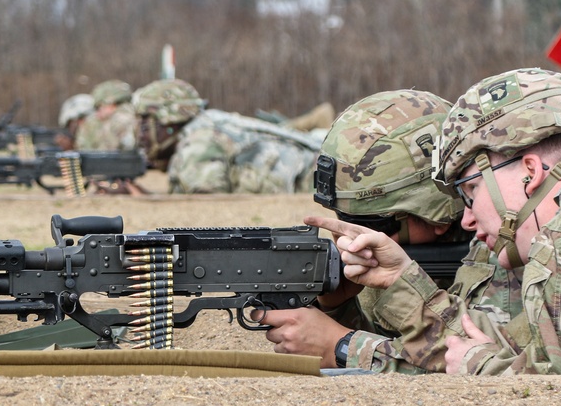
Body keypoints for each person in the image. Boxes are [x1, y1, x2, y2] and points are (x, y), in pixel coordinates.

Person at [313, 67, 561, 375]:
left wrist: (479, 365)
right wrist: (397, 283)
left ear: (530, 172)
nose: (467, 217)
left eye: (471, 189)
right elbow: (519, 346)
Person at [254, 89, 521, 372]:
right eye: (345, 221)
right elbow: (396, 344)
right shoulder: (389, 254)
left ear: (437, 213)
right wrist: (338, 306)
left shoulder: (512, 258)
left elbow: (468, 366)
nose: (353, 238)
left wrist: (340, 347)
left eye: (373, 224)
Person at [131, 78, 323, 194]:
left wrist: (147, 200)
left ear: (170, 120)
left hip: (316, 182)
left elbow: (202, 206)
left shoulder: (200, 140)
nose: (141, 134)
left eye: (147, 122)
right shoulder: (205, 125)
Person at [75, 79, 137, 152]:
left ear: (112, 104)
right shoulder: (136, 115)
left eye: (99, 107)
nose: (98, 113)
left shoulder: (120, 120)